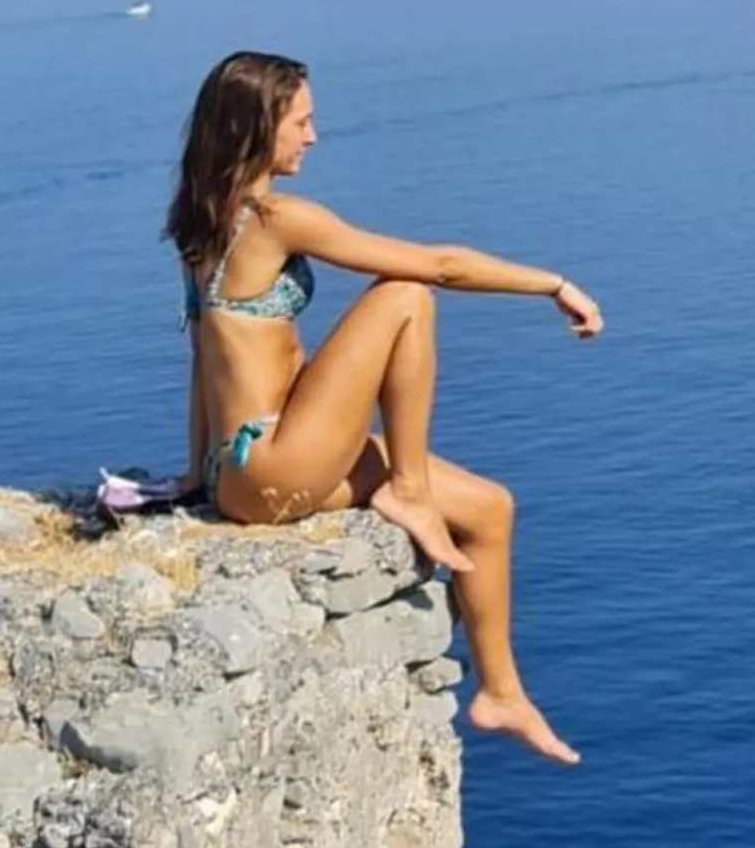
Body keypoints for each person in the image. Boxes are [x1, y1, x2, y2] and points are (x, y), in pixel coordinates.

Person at [165, 49, 603, 766]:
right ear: (257, 127)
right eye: (301, 122)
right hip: (275, 463)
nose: (313, 136)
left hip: (239, 465)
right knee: (406, 297)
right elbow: (439, 265)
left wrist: (198, 472)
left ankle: (501, 694)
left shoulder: (202, 221)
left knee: (490, 510)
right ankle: (409, 490)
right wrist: (553, 284)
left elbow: (203, 361)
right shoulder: (276, 218)